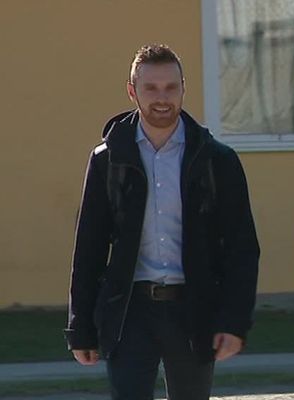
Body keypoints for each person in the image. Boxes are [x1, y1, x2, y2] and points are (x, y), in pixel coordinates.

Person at [64, 44, 260, 400]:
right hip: (129, 312)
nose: (161, 98)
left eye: (171, 87)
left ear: (184, 88)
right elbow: (88, 248)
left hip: (193, 308)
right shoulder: (108, 160)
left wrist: (234, 322)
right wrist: (81, 329)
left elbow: (242, 248)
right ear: (132, 90)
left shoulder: (217, 160)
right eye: (150, 88)